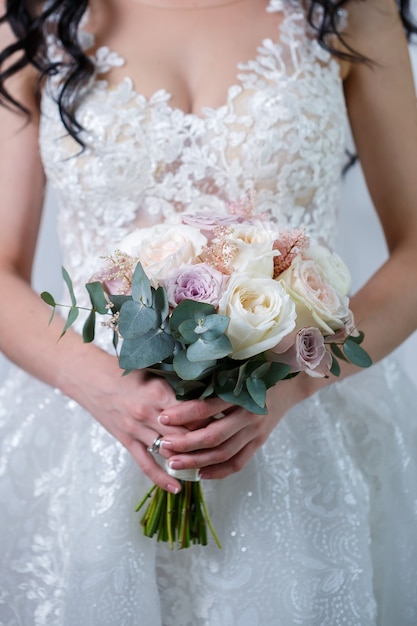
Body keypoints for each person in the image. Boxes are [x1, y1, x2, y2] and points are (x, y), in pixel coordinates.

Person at [1, 0, 417, 623]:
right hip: (90, 434)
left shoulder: (353, 9)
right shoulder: (33, 13)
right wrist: (105, 390)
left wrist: (293, 385)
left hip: (304, 431)